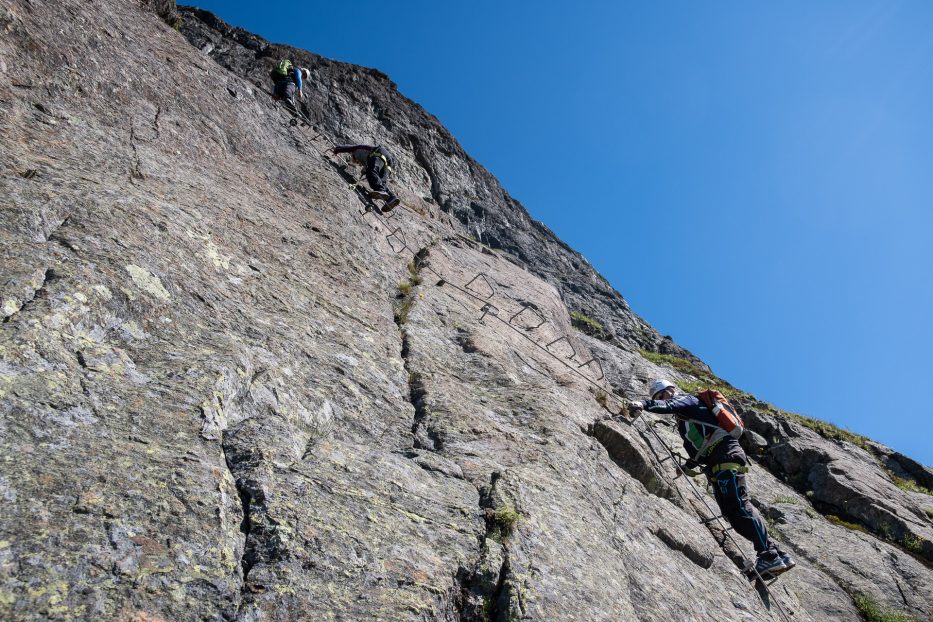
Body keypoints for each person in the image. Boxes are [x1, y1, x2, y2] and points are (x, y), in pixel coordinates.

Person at [629, 379, 796, 580]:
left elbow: (671, 406)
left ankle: (768, 555)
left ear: (672, 390)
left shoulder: (688, 401)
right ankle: (777, 554)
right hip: (717, 462)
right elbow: (699, 448)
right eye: (659, 397)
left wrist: (644, 404)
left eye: (664, 394)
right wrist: (688, 467)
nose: (665, 399)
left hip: (726, 456)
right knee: (731, 512)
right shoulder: (685, 421)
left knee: (739, 506)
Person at [331, 143, 400, 212]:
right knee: (381, 181)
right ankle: (391, 198)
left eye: (357, 162)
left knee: (371, 172)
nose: (359, 163)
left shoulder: (357, 150)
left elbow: (350, 147)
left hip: (379, 152)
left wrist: (337, 149)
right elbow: (369, 165)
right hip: (388, 163)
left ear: (353, 157)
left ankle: (381, 190)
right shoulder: (366, 159)